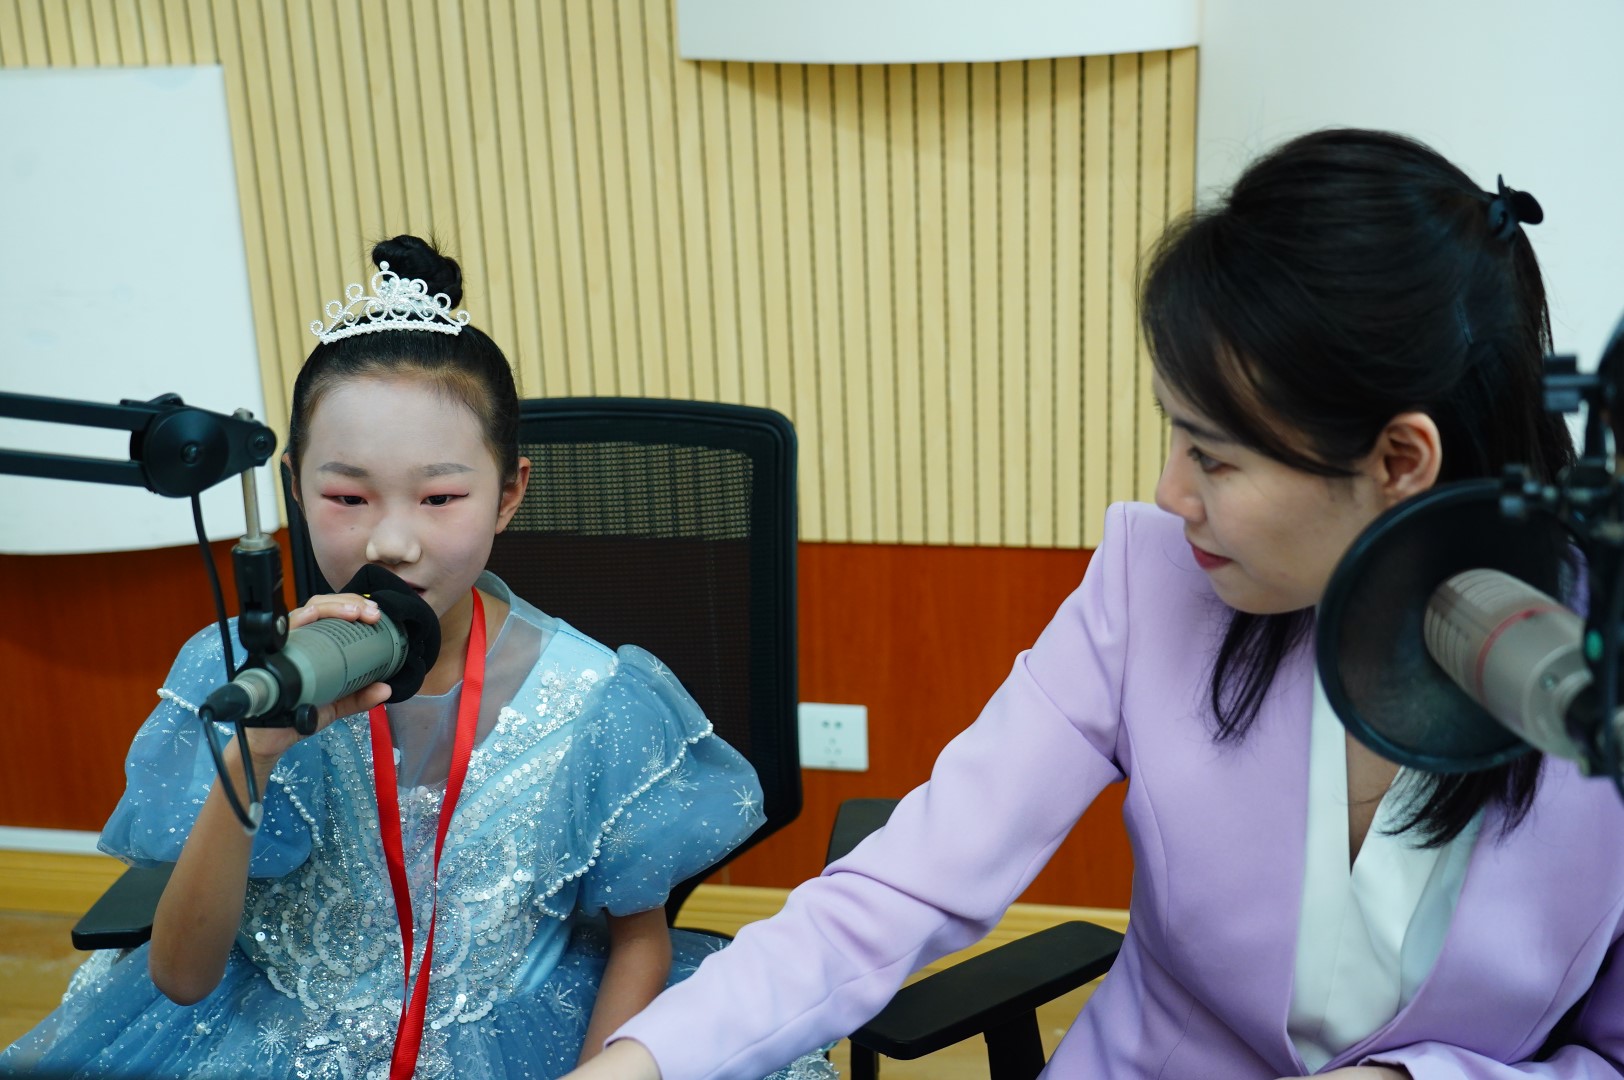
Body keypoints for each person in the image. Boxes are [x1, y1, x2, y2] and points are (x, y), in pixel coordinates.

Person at [564, 130, 1624, 1080]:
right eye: (1175, 434)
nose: (1170, 493)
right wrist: (644, 1062)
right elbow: (901, 888)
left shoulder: (1592, 682)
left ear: (1399, 459)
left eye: (1214, 456)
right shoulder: (1153, 582)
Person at [0, 236, 833, 1080]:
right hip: (270, 1031)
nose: (390, 541)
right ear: (294, 486)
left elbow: (637, 941)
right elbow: (181, 978)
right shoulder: (243, 679)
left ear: (509, 493)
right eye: (346, 496)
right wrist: (255, 752)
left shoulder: (599, 700)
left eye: (439, 497)